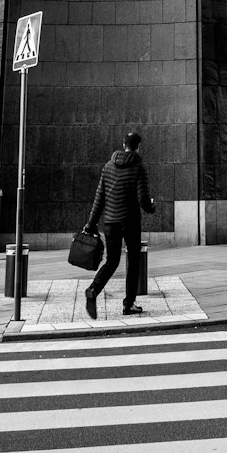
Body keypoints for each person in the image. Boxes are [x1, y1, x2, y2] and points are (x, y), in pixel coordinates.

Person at [84, 130, 155, 319]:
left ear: (124, 145)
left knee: (112, 261)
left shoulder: (108, 166)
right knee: (133, 261)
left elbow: (99, 197)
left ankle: (93, 290)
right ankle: (128, 304)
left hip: (110, 222)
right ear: (138, 147)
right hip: (130, 222)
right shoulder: (138, 166)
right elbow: (143, 199)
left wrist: (91, 223)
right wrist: (152, 207)